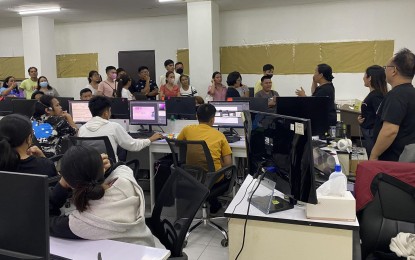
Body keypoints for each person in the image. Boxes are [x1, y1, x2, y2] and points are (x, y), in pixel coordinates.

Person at [49, 145, 155, 246]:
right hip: (147, 249)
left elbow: (44, 221)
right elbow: (120, 167)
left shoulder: (82, 222)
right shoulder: (126, 182)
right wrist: (104, 167)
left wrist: (62, 185)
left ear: (69, 183)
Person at [177, 103, 232, 214]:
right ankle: (215, 204)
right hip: (213, 180)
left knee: (207, 173)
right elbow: (228, 164)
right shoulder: (220, 136)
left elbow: (178, 143)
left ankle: (211, 202)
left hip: (192, 177)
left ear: (197, 117)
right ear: (212, 120)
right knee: (229, 174)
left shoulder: (187, 130)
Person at [78, 96, 163, 161]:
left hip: (88, 170)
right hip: (109, 169)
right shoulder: (114, 127)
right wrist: (150, 139)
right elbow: (133, 146)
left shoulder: (82, 129)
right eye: (110, 111)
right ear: (106, 113)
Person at [371, 48, 415, 161]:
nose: (385, 71)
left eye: (386, 68)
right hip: (407, 159)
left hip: (393, 160)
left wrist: (374, 155)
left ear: (394, 71)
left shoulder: (396, 95)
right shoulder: (411, 93)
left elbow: (390, 131)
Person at [357, 65, 387, 157]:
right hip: (369, 133)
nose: (363, 78)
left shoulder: (376, 95)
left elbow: (380, 116)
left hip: (372, 134)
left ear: (369, 78)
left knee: (373, 157)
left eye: (365, 75)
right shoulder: (374, 94)